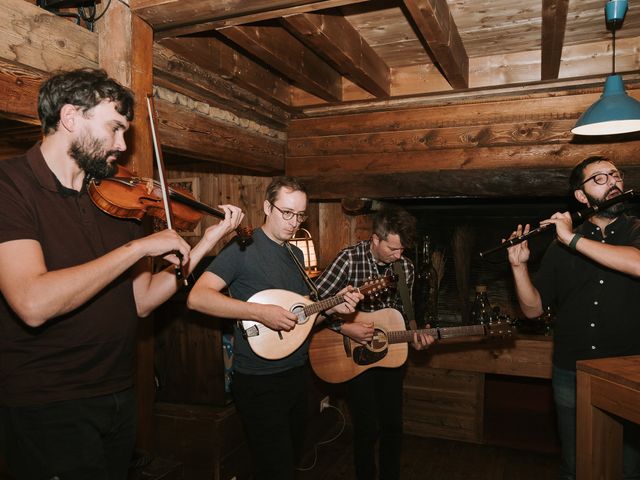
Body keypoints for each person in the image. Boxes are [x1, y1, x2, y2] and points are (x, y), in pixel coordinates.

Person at [0, 68, 244, 480]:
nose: (122, 145)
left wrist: (205, 243)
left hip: (117, 392)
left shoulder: (116, 199)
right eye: (114, 128)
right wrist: (137, 248)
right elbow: (32, 303)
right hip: (47, 402)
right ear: (71, 117)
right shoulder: (11, 186)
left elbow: (142, 300)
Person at [186, 176, 362, 480]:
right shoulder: (243, 246)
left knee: (290, 460)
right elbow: (197, 298)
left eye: (300, 214)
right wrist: (259, 312)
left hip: (296, 376)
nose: (294, 222)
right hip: (258, 381)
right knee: (276, 468)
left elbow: (300, 321)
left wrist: (331, 309)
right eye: (286, 212)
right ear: (267, 207)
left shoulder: (295, 255)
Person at [506, 155, 640, 480]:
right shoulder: (558, 248)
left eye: (616, 175)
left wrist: (572, 239)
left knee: (630, 469)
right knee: (576, 466)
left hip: (627, 371)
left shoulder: (635, 229)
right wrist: (518, 266)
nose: (613, 182)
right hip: (571, 370)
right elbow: (533, 309)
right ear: (581, 196)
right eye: (600, 178)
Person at [314, 206, 434, 480]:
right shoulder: (348, 260)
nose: (398, 255)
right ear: (375, 240)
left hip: (390, 355)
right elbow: (314, 306)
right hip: (353, 356)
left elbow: (406, 314)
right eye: (393, 248)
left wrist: (416, 335)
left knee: (393, 425)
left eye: (402, 249)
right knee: (367, 426)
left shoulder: (405, 268)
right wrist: (345, 328)